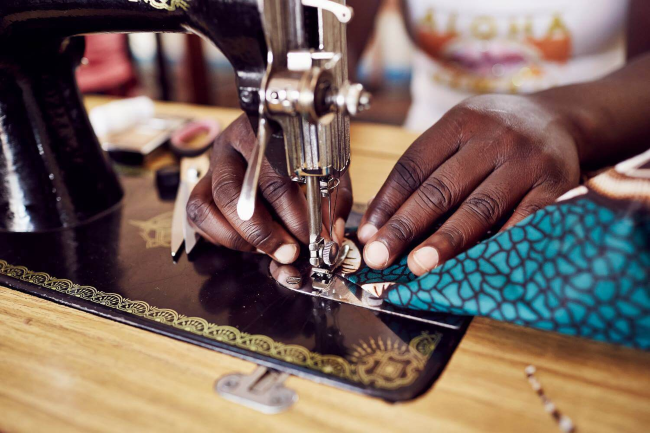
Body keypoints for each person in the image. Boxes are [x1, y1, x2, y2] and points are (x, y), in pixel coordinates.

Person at [185, 0, 650, 278]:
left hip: (590, 164)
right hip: (421, 157)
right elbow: (326, 35)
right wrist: (279, 110)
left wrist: (566, 119)